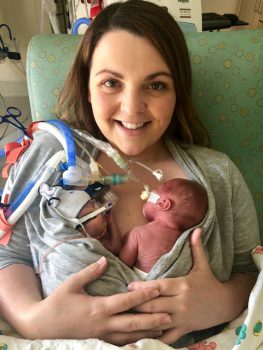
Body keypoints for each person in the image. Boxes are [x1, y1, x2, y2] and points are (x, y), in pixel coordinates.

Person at [0, 0, 260, 348]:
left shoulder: (218, 174)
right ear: (86, 85)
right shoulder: (51, 157)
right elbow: (7, 253)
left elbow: (249, 269)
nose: (132, 107)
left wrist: (221, 302)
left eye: (156, 85)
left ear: (177, 91)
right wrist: (32, 319)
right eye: (111, 83)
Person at [119, 178, 208, 275]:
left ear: (162, 203)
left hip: (143, 285)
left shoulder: (139, 234)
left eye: (156, 189)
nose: (151, 191)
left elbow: (121, 266)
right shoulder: (185, 242)